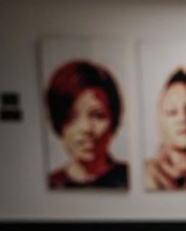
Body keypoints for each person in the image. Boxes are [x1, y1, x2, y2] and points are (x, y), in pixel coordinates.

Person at [45, 60, 128, 189]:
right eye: (72, 117)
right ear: (58, 124)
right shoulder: (53, 183)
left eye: (98, 115)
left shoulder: (130, 178)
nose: (86, 128)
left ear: (114, 119)